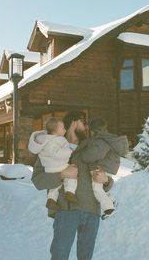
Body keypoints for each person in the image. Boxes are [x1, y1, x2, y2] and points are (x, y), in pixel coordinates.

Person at [30, 110, 113, 260]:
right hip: (66, 210)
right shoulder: (50, 147)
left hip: (92, 211)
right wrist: (62, 174)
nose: (87, 127)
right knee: (60, 256)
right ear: (74, 123)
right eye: (84, 123)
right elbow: (37, 179)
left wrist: (106, 180)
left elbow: (106, 180)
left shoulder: (92, 147)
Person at [72, 117, 129, 219]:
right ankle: (110, 202)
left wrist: (83, 155)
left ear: (93, 130)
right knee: (98, 188)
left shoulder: (100, 140)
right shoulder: (105, 139)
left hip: (101, 167)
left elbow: (93, 154)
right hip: (105, 167)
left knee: (96, 188)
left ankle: (108, 208)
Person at [28, 117, 77, 211]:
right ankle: (69, 192)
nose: (65, 130)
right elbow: (37, 180)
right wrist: (69, 151)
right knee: (71, 176)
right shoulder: (57, 141)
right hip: (58, 167)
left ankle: (51, 199)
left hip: (50, 168)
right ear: (56, 130)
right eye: (63, 128)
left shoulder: (46, 142)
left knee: (55, 186)